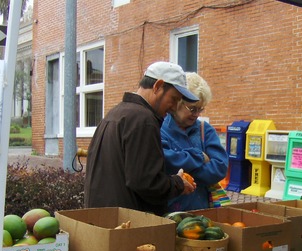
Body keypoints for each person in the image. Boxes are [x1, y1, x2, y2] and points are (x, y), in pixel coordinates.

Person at [84, 61, 198, 216]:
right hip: (129, 225)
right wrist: (178, 183)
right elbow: (146, 182)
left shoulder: (116, 113)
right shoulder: (144, 120)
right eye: (174, 98)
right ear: (158, 86)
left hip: (105, 219)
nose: (174, 107)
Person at [160, 72, 229, 211]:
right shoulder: (160, 128)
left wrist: (182, 176)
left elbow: (220, 167)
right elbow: (164, 161)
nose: (197, 114)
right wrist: (200, 157)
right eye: (192, 108)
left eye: (200, 109)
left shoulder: (205, 130)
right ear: (177, 102)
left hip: (201, 211)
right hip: (168, 212)